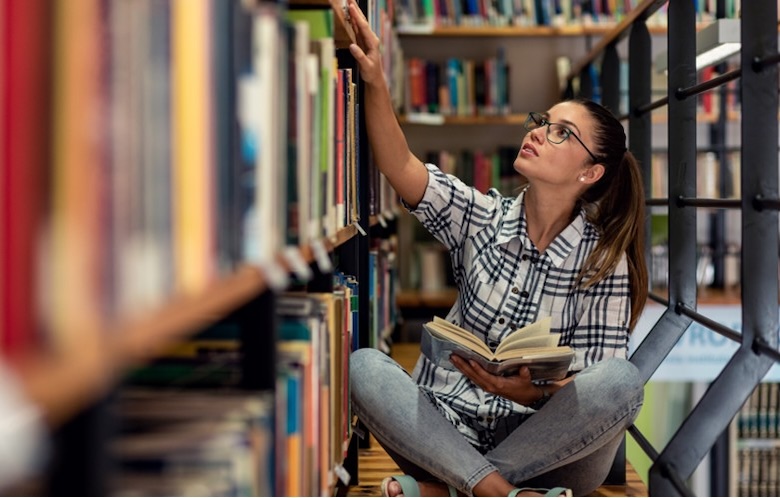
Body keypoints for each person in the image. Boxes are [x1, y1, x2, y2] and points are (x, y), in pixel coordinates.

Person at [346, 0, 648, 496]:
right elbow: (401, 166)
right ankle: (500, 493)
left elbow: (594, 382)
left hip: (546, 447)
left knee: (622, 381)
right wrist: (376, 79)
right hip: (448, 425)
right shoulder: (480, 215)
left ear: (590, 173)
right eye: (542, 121)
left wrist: (528, 391)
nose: (538, 134)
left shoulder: (602, 259)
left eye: (561, 133)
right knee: (363, 368)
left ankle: (448, 488)